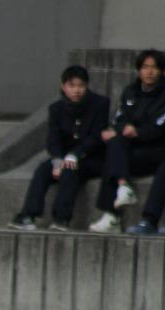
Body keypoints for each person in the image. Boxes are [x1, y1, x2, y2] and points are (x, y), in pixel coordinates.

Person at [10, 66, 110, 231]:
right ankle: (29, 215)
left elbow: (97, 137)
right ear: (64, 87)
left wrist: (75, 155)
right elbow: (53, 140)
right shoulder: (56, 109)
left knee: (71, 170)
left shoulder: (100, 104)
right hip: (64, 158)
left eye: (81, 85)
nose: (77, 90)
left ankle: (61, 219)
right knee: (43, 170)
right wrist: (57, 161)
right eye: (72, 86)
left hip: (92, 158)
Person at [89, 49, 165, 234]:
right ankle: (121, 189)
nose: (149, 72)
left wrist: (138, 132)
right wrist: (120, 130)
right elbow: (120, 118)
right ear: (139, 70)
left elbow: (161, 126)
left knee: (115, 155)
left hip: (157, 150)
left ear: (161, 71)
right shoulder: (130, 92)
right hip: (134, 149)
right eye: (145, 67)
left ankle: (117, 213)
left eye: (154, 68)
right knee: (114, 145)